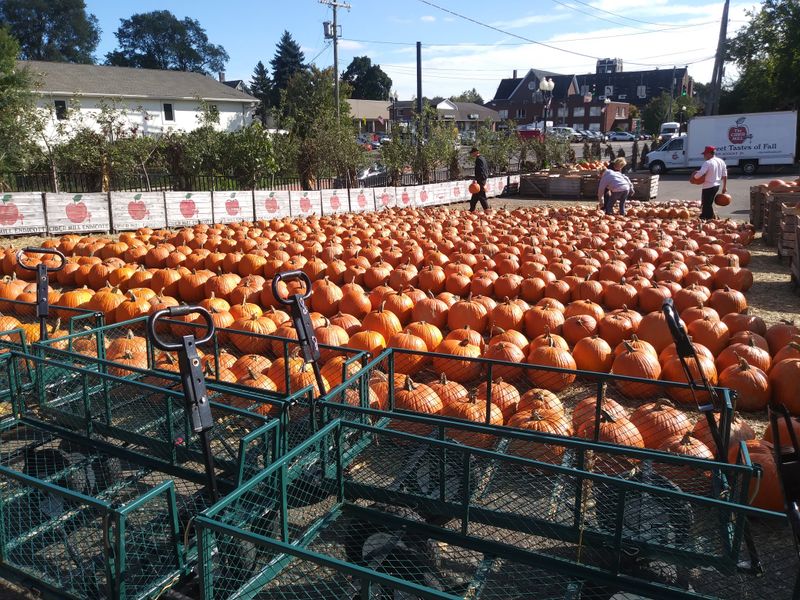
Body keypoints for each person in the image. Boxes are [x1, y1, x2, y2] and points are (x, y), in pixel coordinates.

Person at [692, 145, 728, 220]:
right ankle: (705, 216)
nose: (704, 156)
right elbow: (725, 175)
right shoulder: (721, 161)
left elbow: (700, 173)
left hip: (708, 186)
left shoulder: (708, 163)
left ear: (709, 153)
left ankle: (709, 218)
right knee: (708, 203)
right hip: (717, 185)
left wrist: (694, 178)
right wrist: (724, 186)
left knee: (706, 204)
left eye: (705, 154)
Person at [469, 147, 489, 211]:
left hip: (480, 179)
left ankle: (487, 210)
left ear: (476, 152)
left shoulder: (479, 159)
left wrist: (478, 179)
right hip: (482, 179)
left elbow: (481, 171)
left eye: (472, 153)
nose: (471, 154)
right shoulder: (482, 158)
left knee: (481, 196)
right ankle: (472, 209)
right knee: (475, 195)